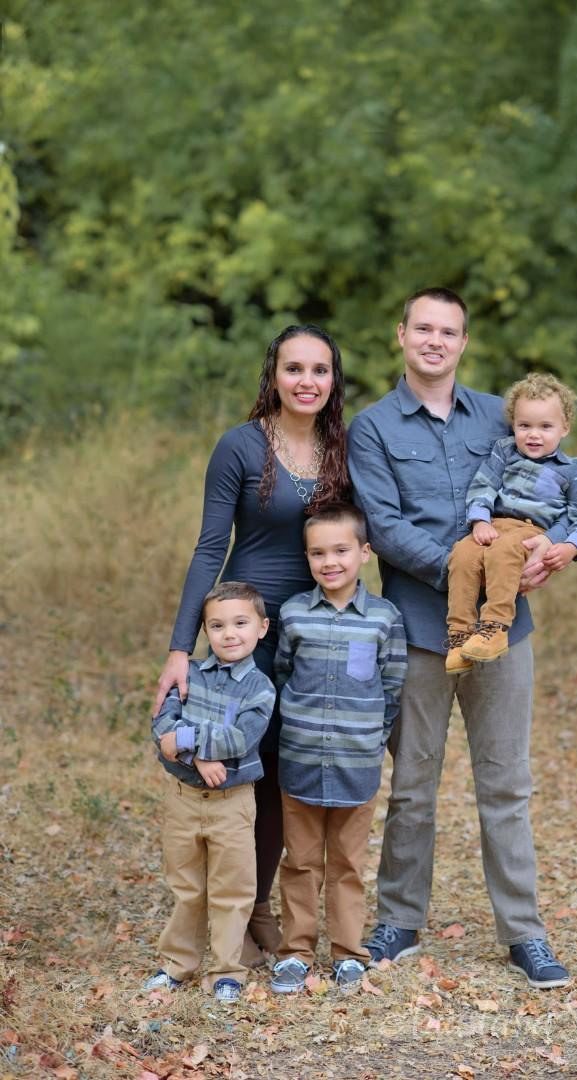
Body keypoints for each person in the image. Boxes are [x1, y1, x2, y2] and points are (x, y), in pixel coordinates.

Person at [347, 287, 575, 989]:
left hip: (505, 633)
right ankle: (399, 920)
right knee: (413, 785)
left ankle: (523, 933)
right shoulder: (374, 427)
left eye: (449, 331)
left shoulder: (500, 419)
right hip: (419, 630)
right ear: (402, 334)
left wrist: (550, 550)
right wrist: (464, 572)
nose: (436, 341)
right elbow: (383, 528)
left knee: (506, 784)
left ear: (463, 342)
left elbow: (554, 491)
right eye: (424, 328)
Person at [152, 325, 351, 968]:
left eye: (319, 370)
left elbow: (353, 541)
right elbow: (211, 547)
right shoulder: (240, 446)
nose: (306, 381)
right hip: (249, 632)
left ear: (333, 380)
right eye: (294, 368)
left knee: (289, 772)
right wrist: (183, 647)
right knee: (246, 772)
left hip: (316, 629)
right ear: (273, 375)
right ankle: (235, 915)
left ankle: (264, 902)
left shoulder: (341, 446)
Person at [268, 503, 407, 994]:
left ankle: (349, 952)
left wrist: (370, 735)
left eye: (341, 550)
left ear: (365, 554)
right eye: (318, 553)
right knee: (301, 861)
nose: (330, 562)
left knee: (348, 862)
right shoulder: (293, 614)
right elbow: (284, 674)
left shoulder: (384, 619)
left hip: (356, 762)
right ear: (307, 559)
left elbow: (392, 687)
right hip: (301, 759)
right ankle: (295, 952)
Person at [145, 582, 276, 1003]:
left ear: (262, 627)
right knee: (186, 886)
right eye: (217, 625)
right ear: (205, 630)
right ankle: (177, 964)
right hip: (183, 798)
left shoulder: (260, 688)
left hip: (232, 804)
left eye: (240, 623)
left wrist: (187, 738)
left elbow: (241, 739)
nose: (229, 633)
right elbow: (161, 727)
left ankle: (227, 971)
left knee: (232, 888)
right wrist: (198, 757)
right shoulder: (191, 676)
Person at [445, 372, 577, 672]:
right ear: (513, 424)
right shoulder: (504, 451)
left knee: (503, 553)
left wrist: (570, 548)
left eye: (546, 427)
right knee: (461, 555)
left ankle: (494, 628)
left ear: (564, 428)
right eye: (524, 425)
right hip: (494, 524)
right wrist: (479, 521)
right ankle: (460, 635)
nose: (533, 435)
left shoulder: (572, 470)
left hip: (529, 531)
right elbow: (483, 485)